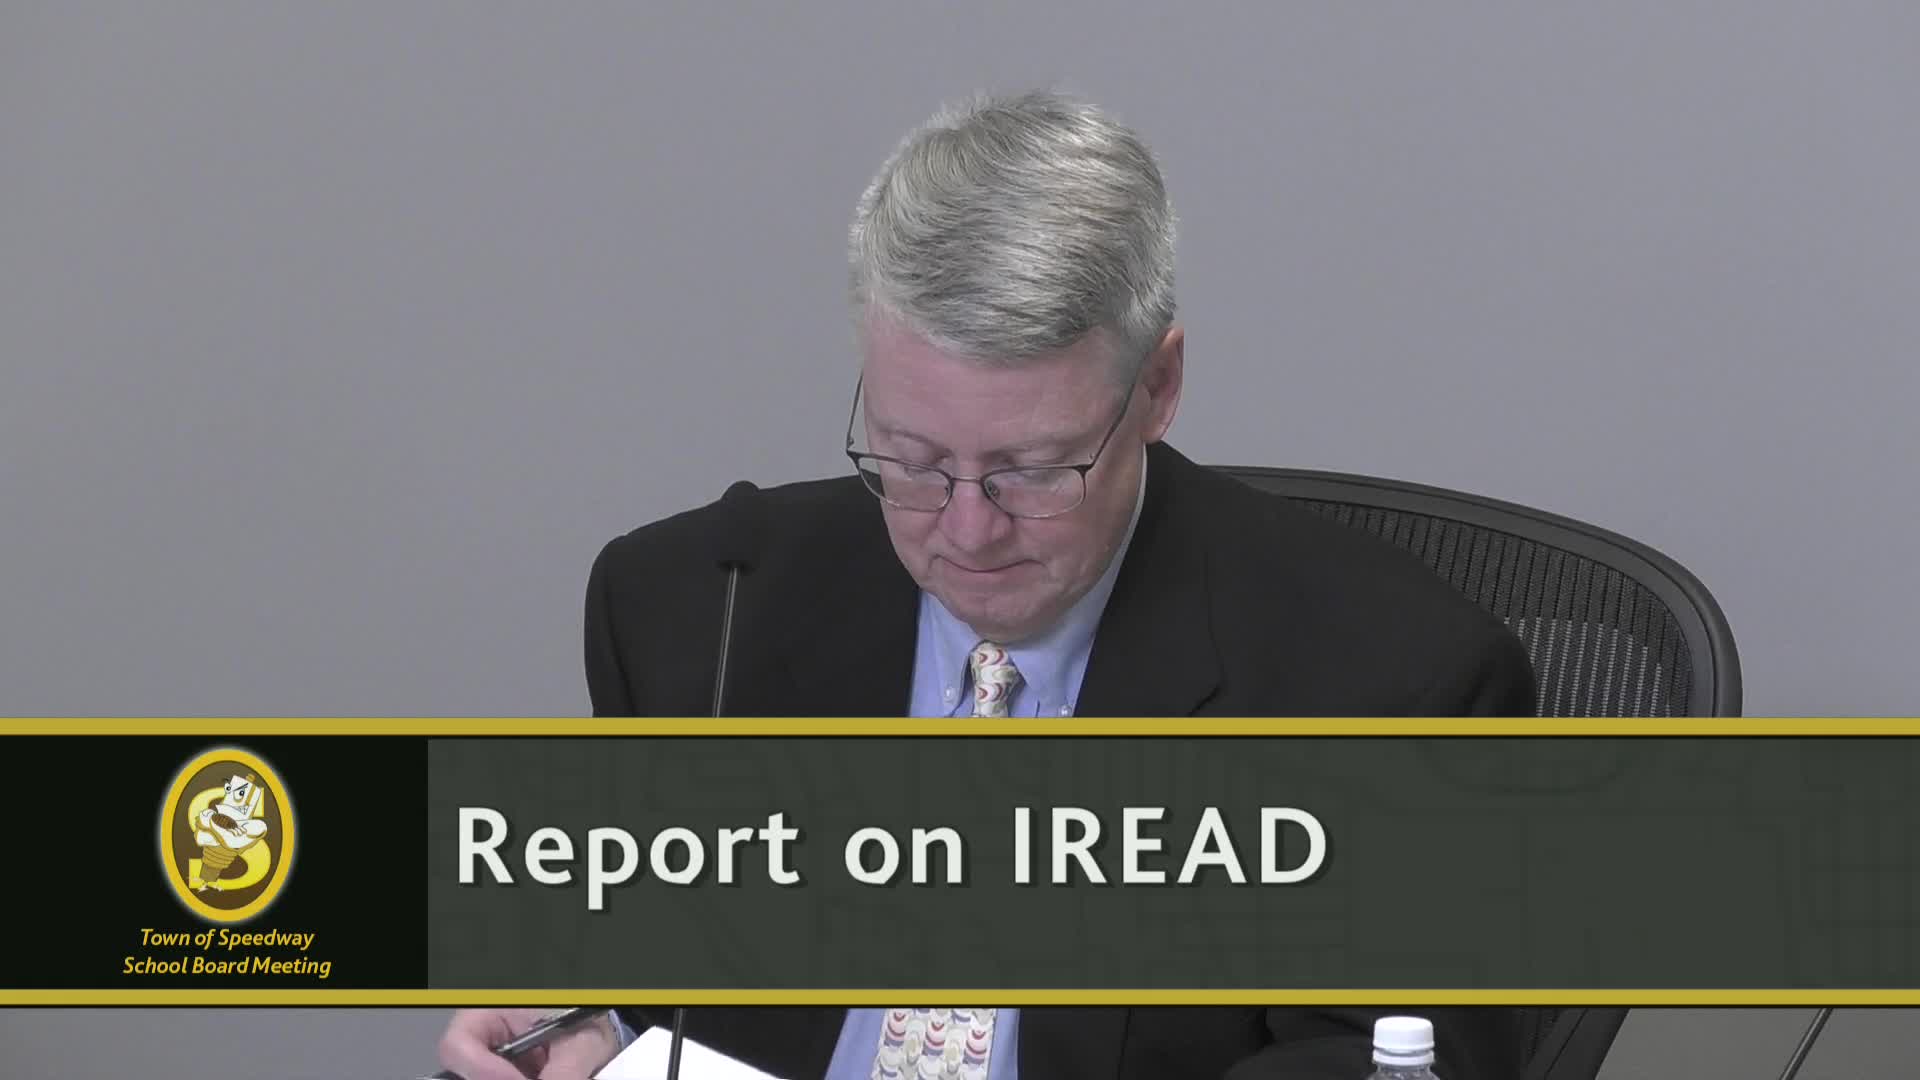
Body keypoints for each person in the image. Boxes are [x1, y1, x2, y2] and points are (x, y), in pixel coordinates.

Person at [439, 89, 1536, 1080]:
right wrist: (588, 1025)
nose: (965, 531)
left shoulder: (1399, 687)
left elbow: (1385, 1058)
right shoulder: (696, 606)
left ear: (1158, 388)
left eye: (1033, 469)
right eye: (912, 458)